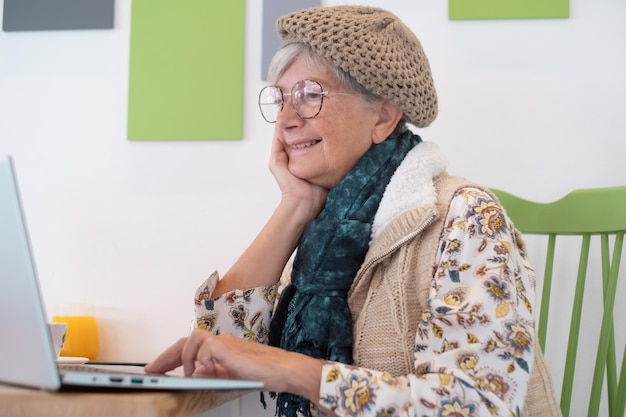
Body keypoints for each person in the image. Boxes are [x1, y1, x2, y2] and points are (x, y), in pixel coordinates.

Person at [146, 5, 561, 417]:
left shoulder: (466, 217)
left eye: (309, 95)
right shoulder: (324, 234)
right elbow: (217, 357)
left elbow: (478, 404)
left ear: (383, 114)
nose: (286, 120)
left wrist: (296, 370)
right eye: (280, 99)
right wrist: (295, 207)